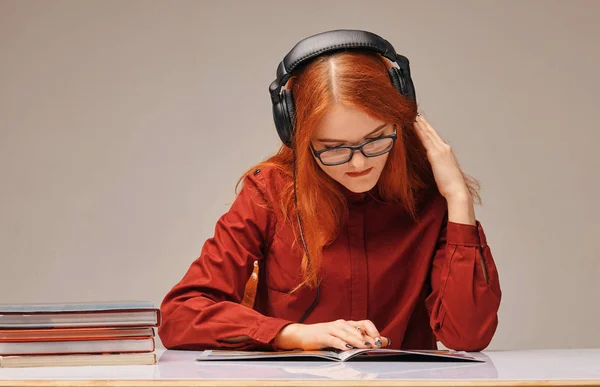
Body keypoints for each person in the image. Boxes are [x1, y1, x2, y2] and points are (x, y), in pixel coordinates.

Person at [158, 30, 501, 352]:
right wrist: (293, 334)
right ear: (298, 136)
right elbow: (180, 316)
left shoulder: (430, 198)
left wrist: (458, 198)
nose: (357, 164)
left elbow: (468, 335)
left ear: (400, 122)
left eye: (375, 139)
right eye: (333, 147)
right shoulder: (269, 192)